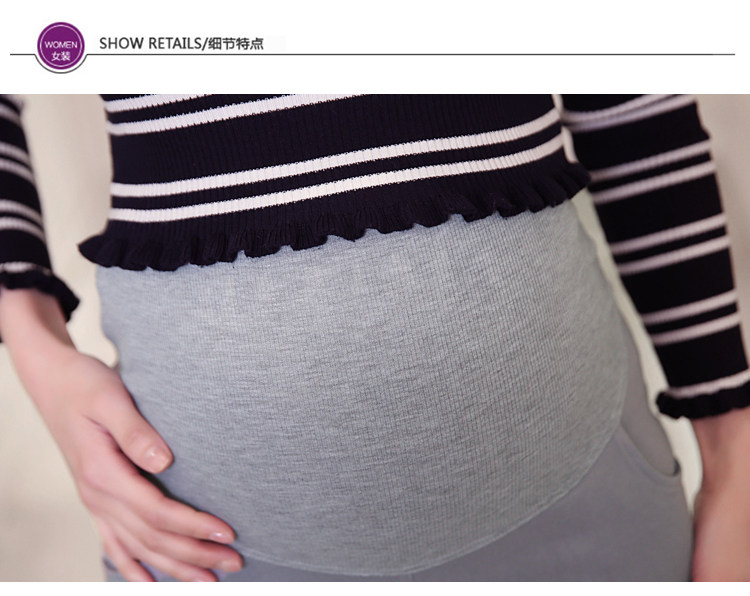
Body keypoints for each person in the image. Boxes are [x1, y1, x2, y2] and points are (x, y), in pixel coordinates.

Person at [1, 94, 749, 582]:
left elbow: (634, 108)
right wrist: (36, 351)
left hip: (589, 496)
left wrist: (734, 456)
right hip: (212, 538)